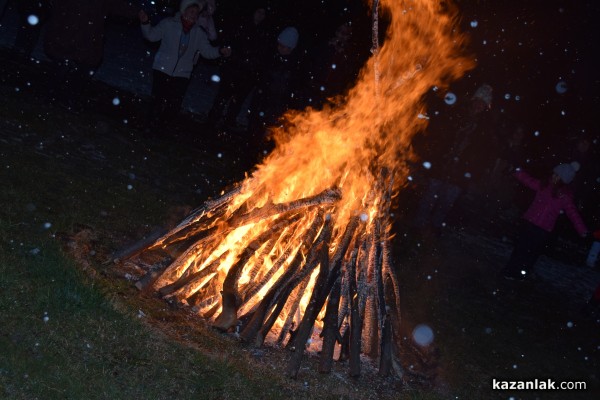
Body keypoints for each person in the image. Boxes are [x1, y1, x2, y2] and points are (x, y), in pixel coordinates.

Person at [412, 84, 497, 234]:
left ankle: (435, 227)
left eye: (482, 103)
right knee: (430, 196)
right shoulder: (458, 114)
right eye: (477, 101)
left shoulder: (486, 127)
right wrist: (437, 154)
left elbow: (484, 152)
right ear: (473, 100)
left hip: (461, 171)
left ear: (486, 106)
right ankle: (419, 225)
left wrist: (473, 170)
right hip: (443, 163)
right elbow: (442, 135)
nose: (479, 105)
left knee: (446, 202)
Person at [139, 0, 231, 132]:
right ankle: (148, 127)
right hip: (162, 69)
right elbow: (151, 36)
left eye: (196, 13)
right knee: (157, 101)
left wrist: (219, 51)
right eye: (192, 11)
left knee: (174, 105)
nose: (194, 15)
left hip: (182, 74)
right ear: (184, 10)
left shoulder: (199, 33)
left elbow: (207, 52)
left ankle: (161, 129)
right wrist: (145, 23)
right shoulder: (169, 23)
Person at [43, 0, 139, 109]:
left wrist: (137, 12)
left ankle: (60, 98)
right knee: (66, 67)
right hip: (74, 38)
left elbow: (123, 8)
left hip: (78, 39)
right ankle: (57, 97)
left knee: (74, 68)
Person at [500, 162, 589, 281]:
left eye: (556, 175)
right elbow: (528, 180)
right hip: (530, 222)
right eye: (554, 174)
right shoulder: (543, 185)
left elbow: (573, 213)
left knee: (531, 253)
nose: (553, 176)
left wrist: (582, 229)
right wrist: (516, 171)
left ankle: (521, 273)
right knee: (520, 249)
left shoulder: (565, 196)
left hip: (543, 229)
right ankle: (510, 270)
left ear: (563, 179)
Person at [206, 6, 271, 130]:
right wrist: (231, 62)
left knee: (237, 102)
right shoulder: (241, 26)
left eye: (263, 13)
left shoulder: (264, 33)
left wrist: (253, 70)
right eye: (258, 11)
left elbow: (260, 55)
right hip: (233, 70)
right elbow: (233, 46)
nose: (260, 15)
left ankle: (227, 124)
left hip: (247, 74)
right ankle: (212, 122)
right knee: (222, 97)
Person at [248, 26, 301, 156]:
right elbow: (260, 78)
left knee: (268, 139)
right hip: (261, 102)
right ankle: (248, 160)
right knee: (253, 136)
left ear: (291, 48)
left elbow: (291, 90)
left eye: (285, 47)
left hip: (277, 107)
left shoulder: (294, 66)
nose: (281, 49)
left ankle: (262, 161)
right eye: (280, 45)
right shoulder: (270, 58)